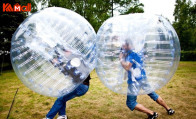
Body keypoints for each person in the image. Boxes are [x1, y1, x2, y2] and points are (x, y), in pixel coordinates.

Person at [119, 40, 175, 119]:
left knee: (130, 103)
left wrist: (121, 59)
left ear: (128, 45)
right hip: (143, 78)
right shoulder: (138, 51)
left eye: (123, 45)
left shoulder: (132, 54)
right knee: (152, 94)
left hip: (134, 81)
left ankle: (152, 113)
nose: (122, 47)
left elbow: (128, 67)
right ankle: (169, 109)